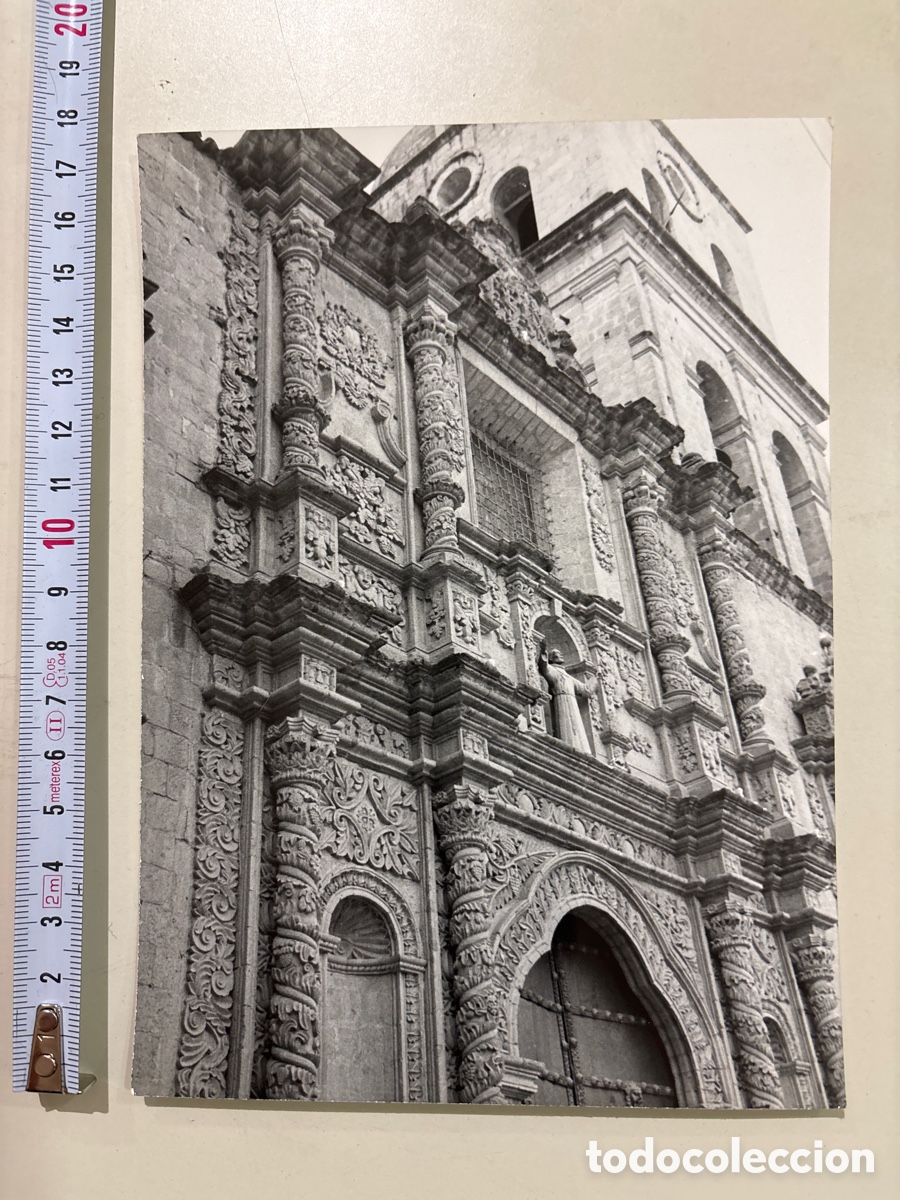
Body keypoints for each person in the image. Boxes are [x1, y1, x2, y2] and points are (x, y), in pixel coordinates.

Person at [536, 644, 594, 754]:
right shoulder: (553, 671)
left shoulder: (567, 676)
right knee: (566, 725)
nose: (561, 655)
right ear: (551, 658)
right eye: (557, 654)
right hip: (561, 699)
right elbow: (543, 667)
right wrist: (543, 652)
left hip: (572, 702)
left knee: (576, 727)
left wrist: (597, 677)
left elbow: (586, 690)